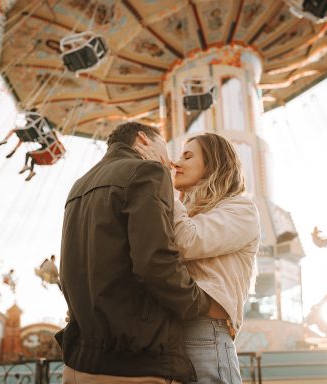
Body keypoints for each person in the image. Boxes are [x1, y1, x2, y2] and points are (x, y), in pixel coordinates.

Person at [57, 122, 213, 383]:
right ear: (143, 139)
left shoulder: (79, 185)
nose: (170, 161)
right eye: (165, 146)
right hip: (137, 359)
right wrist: (199, 303)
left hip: (79, 360)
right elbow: (155, 261)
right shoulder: (147, 172)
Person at [136, 132, 260, 384]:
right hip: (168, 332)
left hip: (204, 329)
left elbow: (188, 242)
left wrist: (164, 185)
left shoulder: (241, 209)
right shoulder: (185, 210)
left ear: (214, 163)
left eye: (188, 156)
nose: (175, 163)